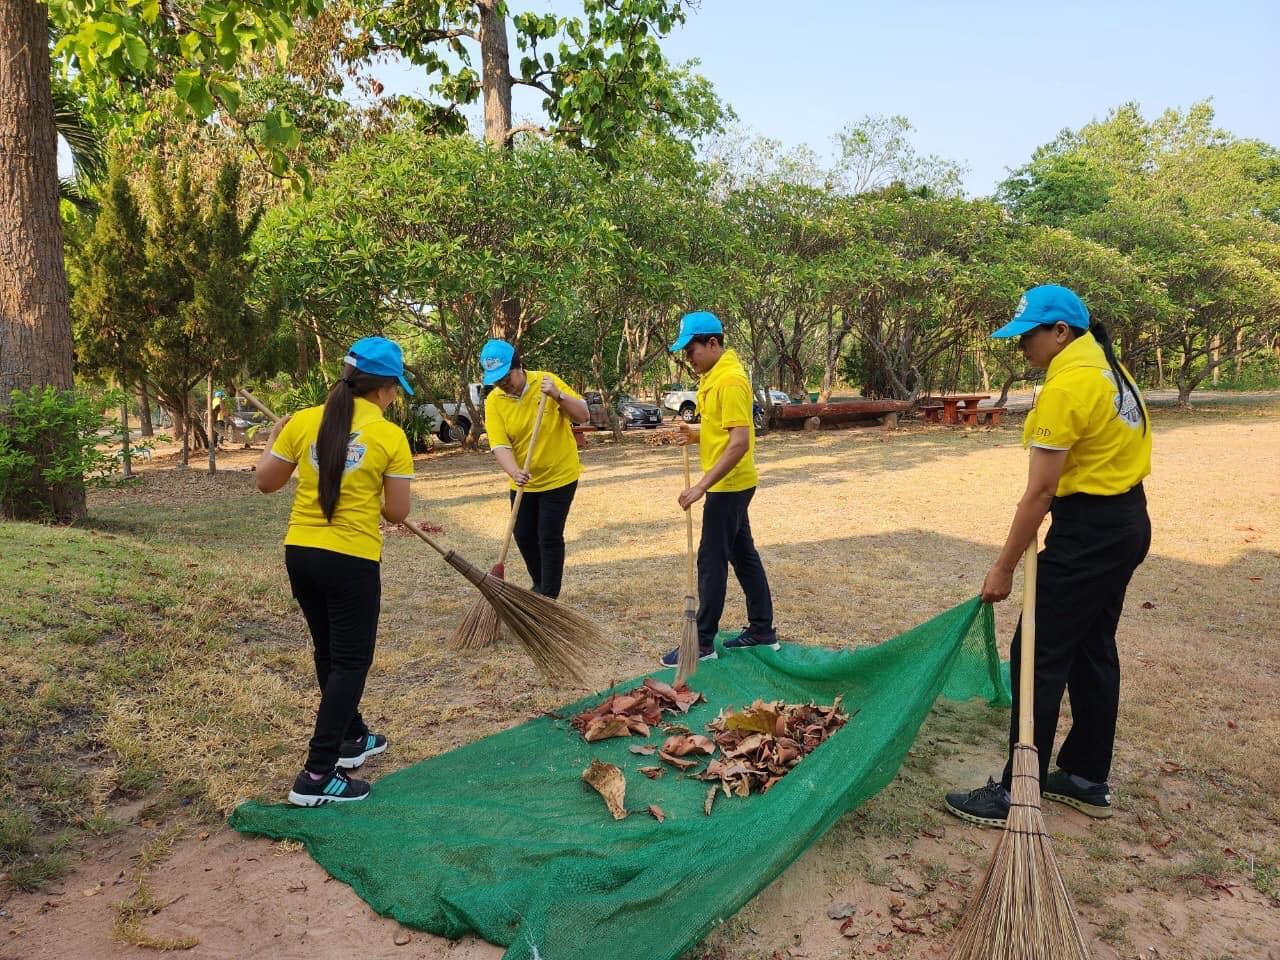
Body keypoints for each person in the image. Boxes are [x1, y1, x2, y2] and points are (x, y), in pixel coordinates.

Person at [945, 285, 1152, 827]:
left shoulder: (1070, 384)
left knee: (1035, 652)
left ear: (1060, 331)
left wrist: (1004, 565)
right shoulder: (1110, 369)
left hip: (1088, 532)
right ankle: (1085, 776)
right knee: (1092, 647)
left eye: (1028, 337)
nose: (1022, 349)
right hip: (1126, 522)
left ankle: (1019, 789)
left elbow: (1039, 492)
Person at [254, 336, 417, 807]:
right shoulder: (388, 436)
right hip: (351, 559)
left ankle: (352, 738)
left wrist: (273, 439)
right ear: (385, 388)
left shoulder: (304, 422)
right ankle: (318, 773)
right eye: (395, 389)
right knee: (350, 661)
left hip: (301, 553)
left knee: (329, 651)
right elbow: (396, 512)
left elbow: (266, 483)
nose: (395, 396)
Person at [660, 311, 777, 668]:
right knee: (743, 555)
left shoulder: (729, 381)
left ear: (712, 343)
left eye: (691, 351)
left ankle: (703, 641)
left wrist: (701, 486)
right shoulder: (714, 377)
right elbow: (723, 431)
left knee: (711, 561)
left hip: (729, 485)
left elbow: (740, 442)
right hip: (729, 483)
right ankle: (761, 630)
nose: (688, 359)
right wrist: (693, 433)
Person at [479, 339, 589, 599]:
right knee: (523, 534)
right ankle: (540, 584)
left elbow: (582, 415)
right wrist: (514, 472)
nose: (501, 384)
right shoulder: (494, 401)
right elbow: (499, 445)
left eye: (505, 377)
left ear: (519, 366)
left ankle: (548, 597)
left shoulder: (546, 382)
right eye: (496, 380)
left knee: (548, 536)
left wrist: (558, 396)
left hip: (559, 476)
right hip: (523, 480)